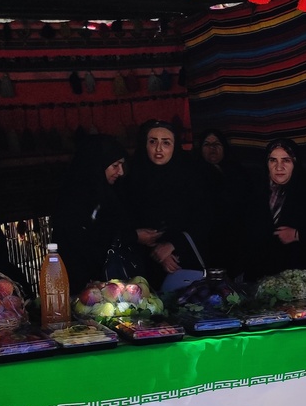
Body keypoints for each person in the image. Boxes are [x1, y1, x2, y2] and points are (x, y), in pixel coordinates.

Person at [118, 120, 212, 288]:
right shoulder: (131, 180)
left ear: (175, 146)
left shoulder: (192, 178)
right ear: (144, 144)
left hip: (183, 262)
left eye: (166, 143)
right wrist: (156, 250)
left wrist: (173, 245)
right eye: (153, 142)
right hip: (142, 267)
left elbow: (205, 218)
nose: (159, 149)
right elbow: (125, 222)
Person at [51, 135, 145, 292]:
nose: (121, 172)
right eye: (115, 165)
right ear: (98, 165)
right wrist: (134, 236)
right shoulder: (74, 198)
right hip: (83, 283)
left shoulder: (109, 192)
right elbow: (89, 240)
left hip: (108, 286)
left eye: (122, 165)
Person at [241, 138, 306, 280]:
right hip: (259, 278)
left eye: (286, 160)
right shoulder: (254, 193)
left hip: (299, 279)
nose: (279, 167)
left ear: (295, 163)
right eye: (273, 160)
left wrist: (297, 235)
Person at [195, 129, 250, 275]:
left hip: (236, 240)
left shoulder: (237, 172)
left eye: (217, 144)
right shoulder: (194, 175)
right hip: (207, 241)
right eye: (207, 144)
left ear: (224, 147)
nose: (212, 148)